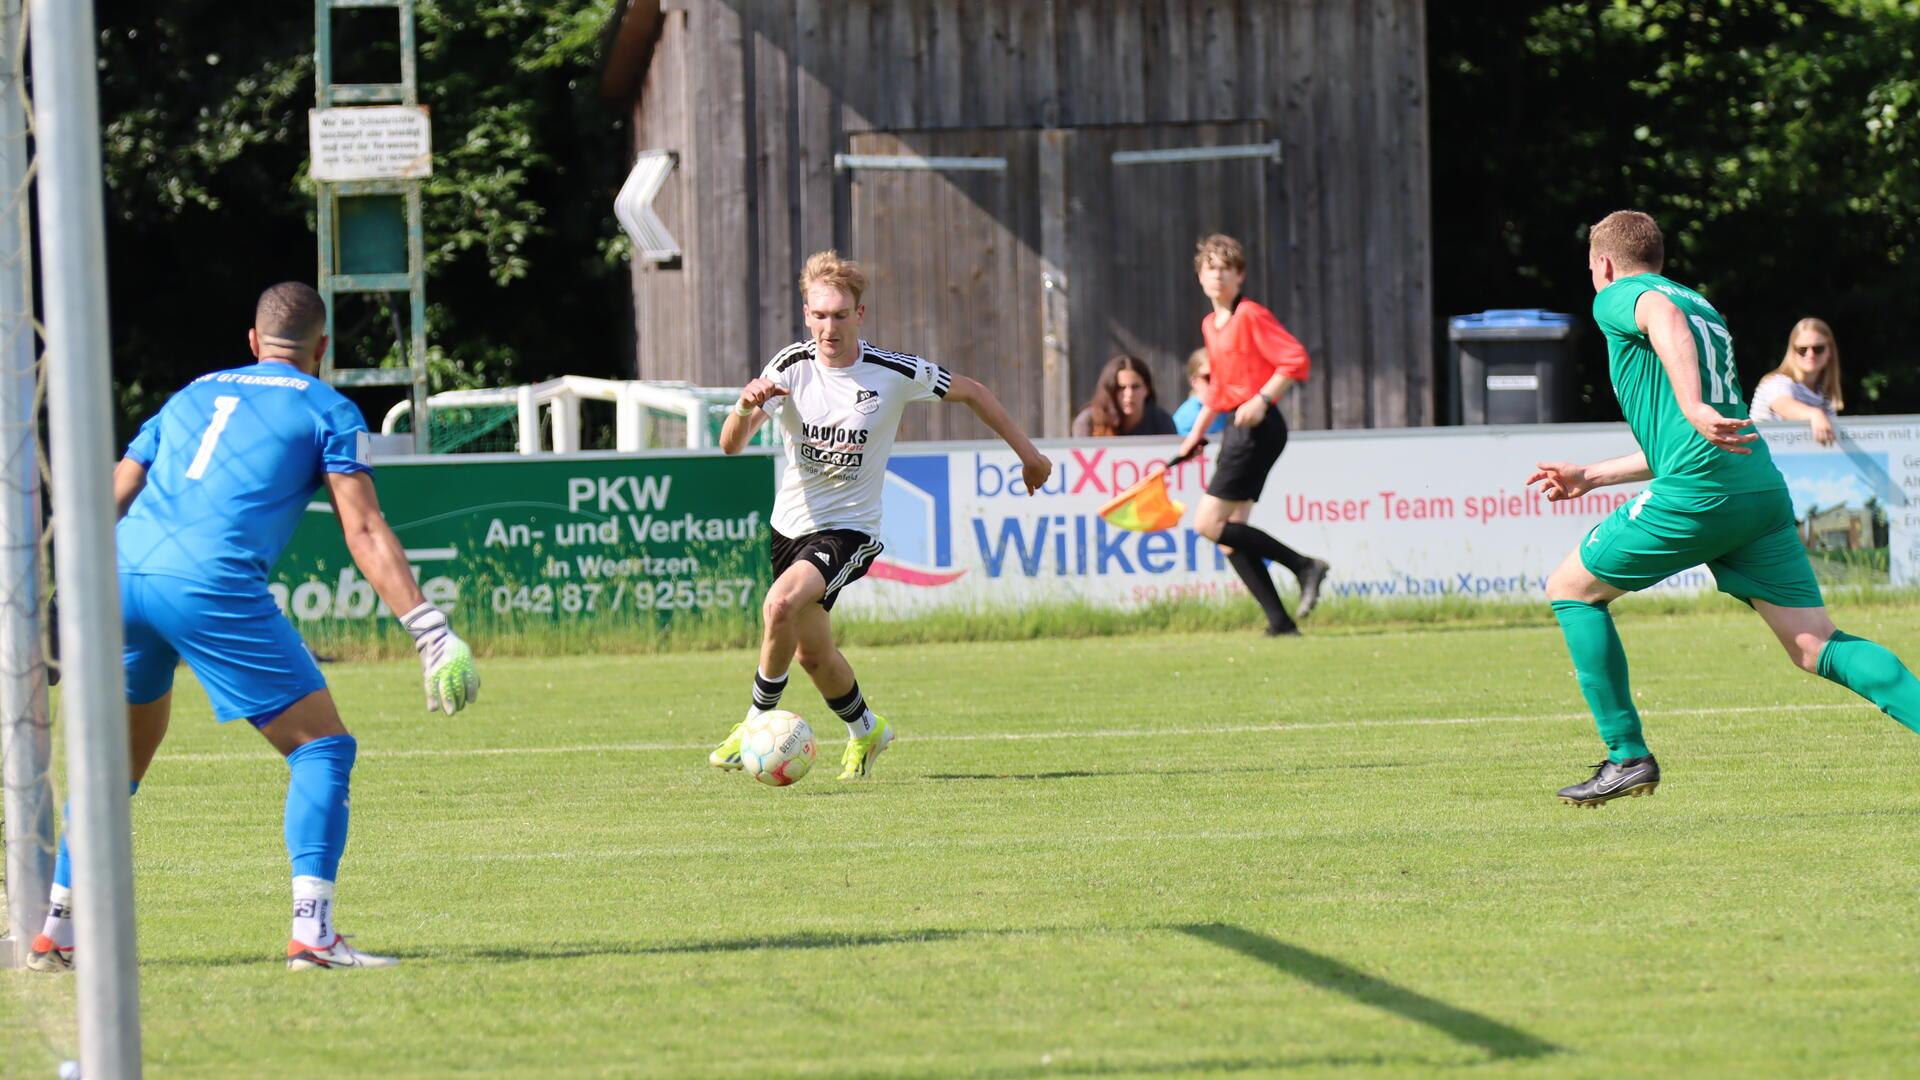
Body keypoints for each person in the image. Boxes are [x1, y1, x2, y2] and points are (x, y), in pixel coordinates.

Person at [27, 283, 479, 973]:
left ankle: (58, 932)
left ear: (252, 341)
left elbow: (109, 498)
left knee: (114, 769)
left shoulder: (189, 395)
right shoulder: (327, 405)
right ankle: (314, 936)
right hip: (208, 583)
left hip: (119, 577)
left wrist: (56, 599)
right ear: (322, 349)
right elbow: (362, 528)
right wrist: (430, 630)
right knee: (322, 749)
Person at [1530, 211, 1920, 807]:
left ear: (1603, 263)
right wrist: (1593, 475)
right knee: (1815, 644)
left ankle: (1626, 754)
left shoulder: (1625, 295)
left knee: (1570, 589)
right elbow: (1698, 431)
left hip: (1700, 493)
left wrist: (1688, 404)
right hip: (1755, 490)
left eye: (1592, 268)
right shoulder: (1699, 305)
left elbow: (1665, 342)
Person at [709, 251, 1052, 778]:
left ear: (860, 315)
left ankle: (754, 723)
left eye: (841, 315)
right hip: (788, 530)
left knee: (778, 606)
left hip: (850, 531)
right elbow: (731, 446)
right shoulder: (789, 367)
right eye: (820, 315)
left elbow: (974, 393)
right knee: (811, 655)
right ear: (806, 314)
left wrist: (1029, 456)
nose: (830, 327)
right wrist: (744, 404)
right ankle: (868, 730)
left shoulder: (892, 371)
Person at [1170, 234, 1331, 634]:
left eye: (1227, 269)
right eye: (1211, 268)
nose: (1218, 276)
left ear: (1240, 276)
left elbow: (1295, 360)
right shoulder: (1212, 324)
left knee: (1207, 523)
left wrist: (1261, 399)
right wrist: (1197, 435)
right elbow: (1220, 389)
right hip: (1238, 429)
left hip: (1259, 428)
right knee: (1230, 538)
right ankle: (1281, 622)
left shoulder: (1251, 315)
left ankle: (1304, 566)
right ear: (1201, 277)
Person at [1750, 317, 1843, 446]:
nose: (1810, 354)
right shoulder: (1776, 382)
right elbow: (1784, 405)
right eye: (1802, 349)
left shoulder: (1824, 395)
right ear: (1792, 352)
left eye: (1818, 348)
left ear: (1830, 352)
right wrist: (1814, 414)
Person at [1071, 354, 1177, 437]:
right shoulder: (1087, 422)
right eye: (1121, 388)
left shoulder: (1161, 421)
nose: (1129, 394)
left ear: (1147, 389)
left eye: (1135, 387)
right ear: (1110, 391)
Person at [1172, 347, 1229, 437]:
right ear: (1194, 382)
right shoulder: (1186, 418)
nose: (1216, 383)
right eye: (1208, 377)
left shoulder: (1230, 410)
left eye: (1220, 375)